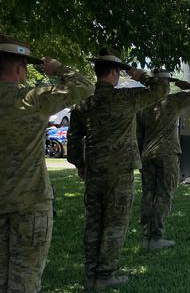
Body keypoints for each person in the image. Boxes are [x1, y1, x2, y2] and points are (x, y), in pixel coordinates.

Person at [0, 34, 94, 292]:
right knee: (26, 278)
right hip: (30, 203)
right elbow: (84, 86)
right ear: (20, 68)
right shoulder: (32, 99)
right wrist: (59, 69)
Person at [67, 49, 166, 291]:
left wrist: (80, 163)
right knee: (115, 223)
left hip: (94, 171)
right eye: (119, 72)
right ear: (114, 71)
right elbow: (161, 89)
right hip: (120, 172)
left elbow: (73, 137)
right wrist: (141, 75)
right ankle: (106, 274)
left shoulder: (84, 103)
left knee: (93, 222)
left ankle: (91, 275)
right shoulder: (125, 99)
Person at [137, 70, 190, 251]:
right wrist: (188, 86)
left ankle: (146, 235)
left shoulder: (142, 105)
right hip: (167, 154)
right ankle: (156, 237)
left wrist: (139, 156)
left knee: (148, 194)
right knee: (164, 194)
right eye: (168, 82)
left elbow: (138, 135)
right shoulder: (173, 101)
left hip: (146, 155)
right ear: (166, 84)